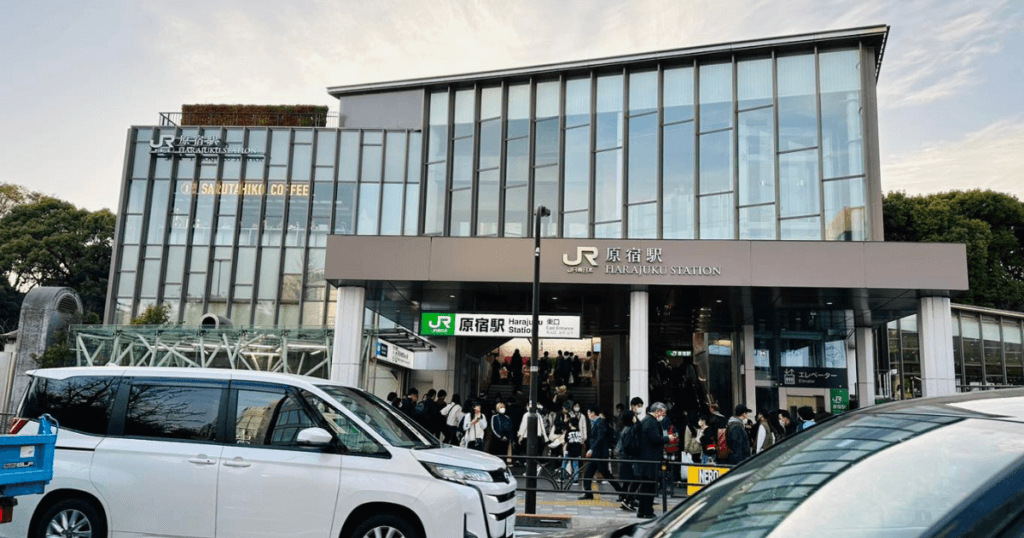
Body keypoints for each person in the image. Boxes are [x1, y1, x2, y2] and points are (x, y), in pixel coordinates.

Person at [635, 402, 675, 519]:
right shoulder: (651, 422)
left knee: (645, 486)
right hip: (649, 460)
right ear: (658, 411)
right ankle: (647, 511)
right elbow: (656, 439)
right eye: (664, 412)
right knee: (649, 486)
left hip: (645, 459)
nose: (664, 415)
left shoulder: (646, 420)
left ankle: (642, 511)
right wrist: (668, 438)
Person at [579, 407, 622, 500]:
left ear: (593, 413)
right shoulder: (596, 423)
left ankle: (622, 492)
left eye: (588, 413)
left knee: (606, 474)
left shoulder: (600, 423)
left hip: (600, 454)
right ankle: (588, 493)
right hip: (596, 455)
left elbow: (600, 437)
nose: (588, 415)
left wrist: (591, 449)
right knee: (588, 474)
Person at [616, 411, 640, 511]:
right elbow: (629, 445)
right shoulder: (630, 429)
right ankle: (628, 500)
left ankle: (625, 499)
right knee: (635, 479)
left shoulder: (625, 429)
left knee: (627, 481)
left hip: (625, 458)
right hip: (629, 458)